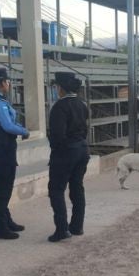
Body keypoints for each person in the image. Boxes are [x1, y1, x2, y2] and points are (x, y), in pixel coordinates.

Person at [0, 68, 30, 240]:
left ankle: (5, 220)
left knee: (2, 186)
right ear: (2, 82)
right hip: (3, 145)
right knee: (3, 187)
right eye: (7, 81)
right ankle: (0, 227)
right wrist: (24, 131)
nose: (9, 83)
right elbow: (8, 125)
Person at [47, 72, 90, 242]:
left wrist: (56, 152)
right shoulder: (81, 104)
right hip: (82, 149)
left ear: (61, 88)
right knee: (77, 187)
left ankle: (62, 229)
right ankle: (77, 226)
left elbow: (57, 135)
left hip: (66, 151)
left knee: (56, 190)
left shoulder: (59, 107)